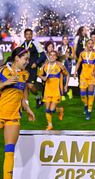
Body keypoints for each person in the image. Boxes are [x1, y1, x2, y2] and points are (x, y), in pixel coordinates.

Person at [0, 48, 35, 179]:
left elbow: (19, 95)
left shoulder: (24, 74)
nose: (27, 61)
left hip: (13, 117)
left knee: (9, 151)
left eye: (28, 59)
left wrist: (27, 108)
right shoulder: (2, 70)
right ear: (16, 58)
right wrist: (5, 83)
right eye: (25, 59)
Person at [38, 51, 69, 130]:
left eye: (54, 55)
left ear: (56, 57)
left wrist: (66, 85)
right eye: (50, 55)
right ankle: (50, 125)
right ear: (48, 56)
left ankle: (60, 110)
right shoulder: (45, 65)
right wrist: (43, 78)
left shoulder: (60, 66)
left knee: (52, 109)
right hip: (47, 90)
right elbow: (39, 74)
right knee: (47, 109)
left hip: (57, 91)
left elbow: (67, 75)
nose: (52, 57)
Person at [74, 40, 95, 120]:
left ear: (93, 45)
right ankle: (85, 104)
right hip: (83, 76)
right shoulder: (82, 53)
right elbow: (78, 63)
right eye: (89, 43)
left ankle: (89, 111)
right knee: (82, 94)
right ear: (86, 45)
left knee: (90, 94)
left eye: (92, 43)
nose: (90, 45)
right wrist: (75, 72)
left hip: (92, 77)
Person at [19, 29, 46, 108]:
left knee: (30, 85)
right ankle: (26, 105)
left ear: (32, 35)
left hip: (33, 68)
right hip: (24, 68)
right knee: (25, 85)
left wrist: (36, 63)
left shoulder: (36, 43)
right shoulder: (22, 44)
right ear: (24, 35)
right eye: (27, 34)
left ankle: (38, 96)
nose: (29, 35)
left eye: (30, 34)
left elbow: (43, 55)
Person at [59, 35, 74, 100]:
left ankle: (66, 90)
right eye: (64, 39)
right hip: (61, 63)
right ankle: (66, 92)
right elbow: (59, 56)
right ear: (62, 40)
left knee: (66, 77)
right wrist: (63, 56)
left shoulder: (70, 47)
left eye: (66, 39)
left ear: (68, 40)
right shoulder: (59, 47)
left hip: (68, 63)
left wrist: (68, 56)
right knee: (61, 78)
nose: (65, 40)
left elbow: (73, 57)